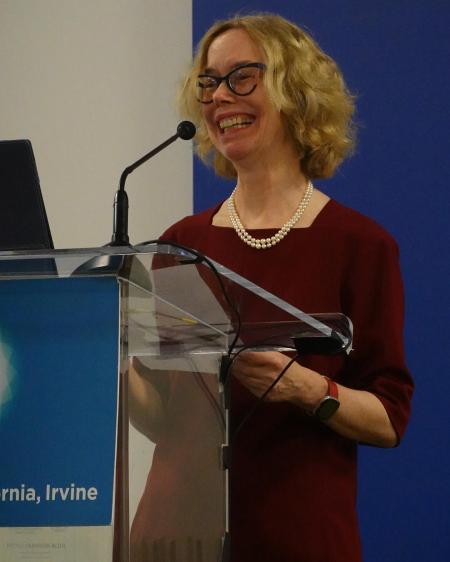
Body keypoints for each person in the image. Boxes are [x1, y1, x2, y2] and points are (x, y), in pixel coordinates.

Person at [129, 13, 413, 562]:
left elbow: (389, 420)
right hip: (174, 537)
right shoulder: (177, 245)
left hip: (296, 536)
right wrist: (113, 365)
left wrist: (305, 389)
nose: (218, 98)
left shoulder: (360, 244)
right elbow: (164, 418)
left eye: (242, 77)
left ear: (296, 92)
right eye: (208, 82)